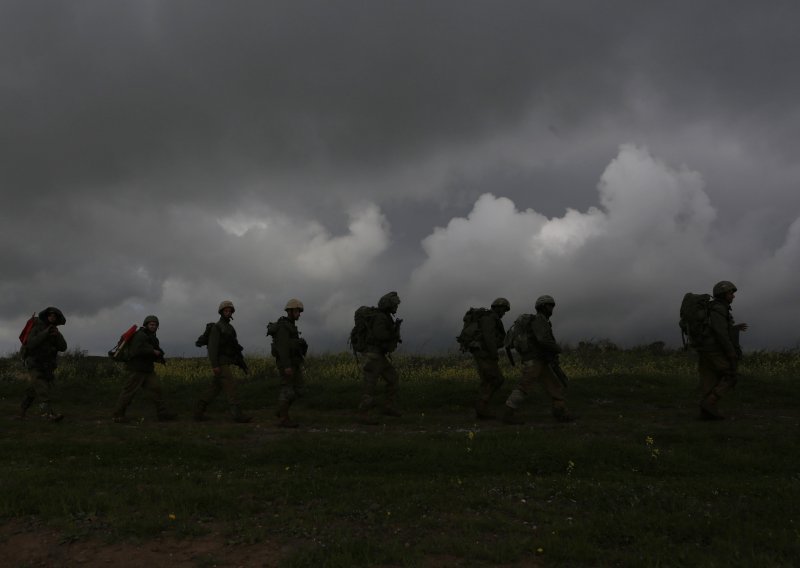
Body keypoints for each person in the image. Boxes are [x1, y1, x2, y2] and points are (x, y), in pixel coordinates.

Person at [503, 295, 574, 424]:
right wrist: (558, 349)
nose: (551, 309)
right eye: (549, 305)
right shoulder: (539, 320)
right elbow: (543, 340)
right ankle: (507, 413)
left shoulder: (541, 321)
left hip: (540, 360)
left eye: (552, 306)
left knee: (554, 385)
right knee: (525, 386)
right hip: (534, 360)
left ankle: (561, 412)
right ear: (541, 307)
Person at [696, 281, 748, 420]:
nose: (733, 296)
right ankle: (709, 403)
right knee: (731, 375)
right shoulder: (719, 308)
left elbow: (719, 328)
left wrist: (735, 328)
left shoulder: (714, 308)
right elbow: (721, 333)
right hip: (714, 350)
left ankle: (706, 414)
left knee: (709, 380)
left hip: (705, 349)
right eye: (730, 293)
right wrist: (731, 352)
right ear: (722, 294)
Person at [111, 315, 177, 423]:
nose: (153, 326)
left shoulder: (152, 337)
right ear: (146, 325)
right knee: (129, 392)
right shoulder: (140, 335)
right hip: (137, 369)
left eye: (155, 325)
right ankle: (118, 415)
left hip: (147, 370)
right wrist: (152, 351)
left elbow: (152, 351)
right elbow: (136, 350)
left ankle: (162, 413)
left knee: (156, 390)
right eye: (151, 324)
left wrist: (159, 357)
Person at [194, 301, 251, 423]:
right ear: (221, 312)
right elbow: (213, 347)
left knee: (214, 388)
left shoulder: (230, 328)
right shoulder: (217, 327)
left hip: (225, 362)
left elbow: (234, 348)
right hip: (220, 363)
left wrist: (241, 364)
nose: (228, 312)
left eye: (230, 311)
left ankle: (198, 412)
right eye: (226, 310)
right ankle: (237, 415)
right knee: (231, 387)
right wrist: (215, 365)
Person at [357, 291, 403, 425]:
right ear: (388, 305)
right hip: (373, 355)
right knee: (369, 385)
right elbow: (380, 335)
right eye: (395, 305)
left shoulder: (385, 317)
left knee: (393, 378)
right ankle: (363, 414)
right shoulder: (380, 318)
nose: (396, 307)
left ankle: (388, 406)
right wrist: (393, 333)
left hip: (379, 355)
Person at [17, 307, 67, 421]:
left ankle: (21, 413)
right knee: (42, 389)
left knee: (33, 390)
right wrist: (45, 333)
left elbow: (63, 347)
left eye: (55, 316)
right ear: (46, 316)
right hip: (34, 363)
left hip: (47, 366)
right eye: (50, 315)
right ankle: (47, 414)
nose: (52, 317)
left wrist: (57, 335)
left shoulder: (55, 331)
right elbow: (30, 344)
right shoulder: (37, 328)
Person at [269, 299, 309, 428]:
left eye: (299, 311)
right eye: (297, 311)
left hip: (294, 363)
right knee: (287, 391)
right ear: (290, 311)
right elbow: (282, 348)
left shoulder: (291, 326)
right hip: (287, 364)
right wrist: (286, 366)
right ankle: (283, 419)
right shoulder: (283, 326)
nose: (299, 314)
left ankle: (281, 411)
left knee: (299, 390)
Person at [470, 298, 511, 420]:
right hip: (485, 354)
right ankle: (481, 408)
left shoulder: (490, 318)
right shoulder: (489, 318)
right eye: (504, 309)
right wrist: (494, 354)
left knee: (488, 380)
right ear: (498, 307)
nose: (504, 313)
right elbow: (489, 338)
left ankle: (481, 409)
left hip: (484, 353)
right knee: (496, 379)